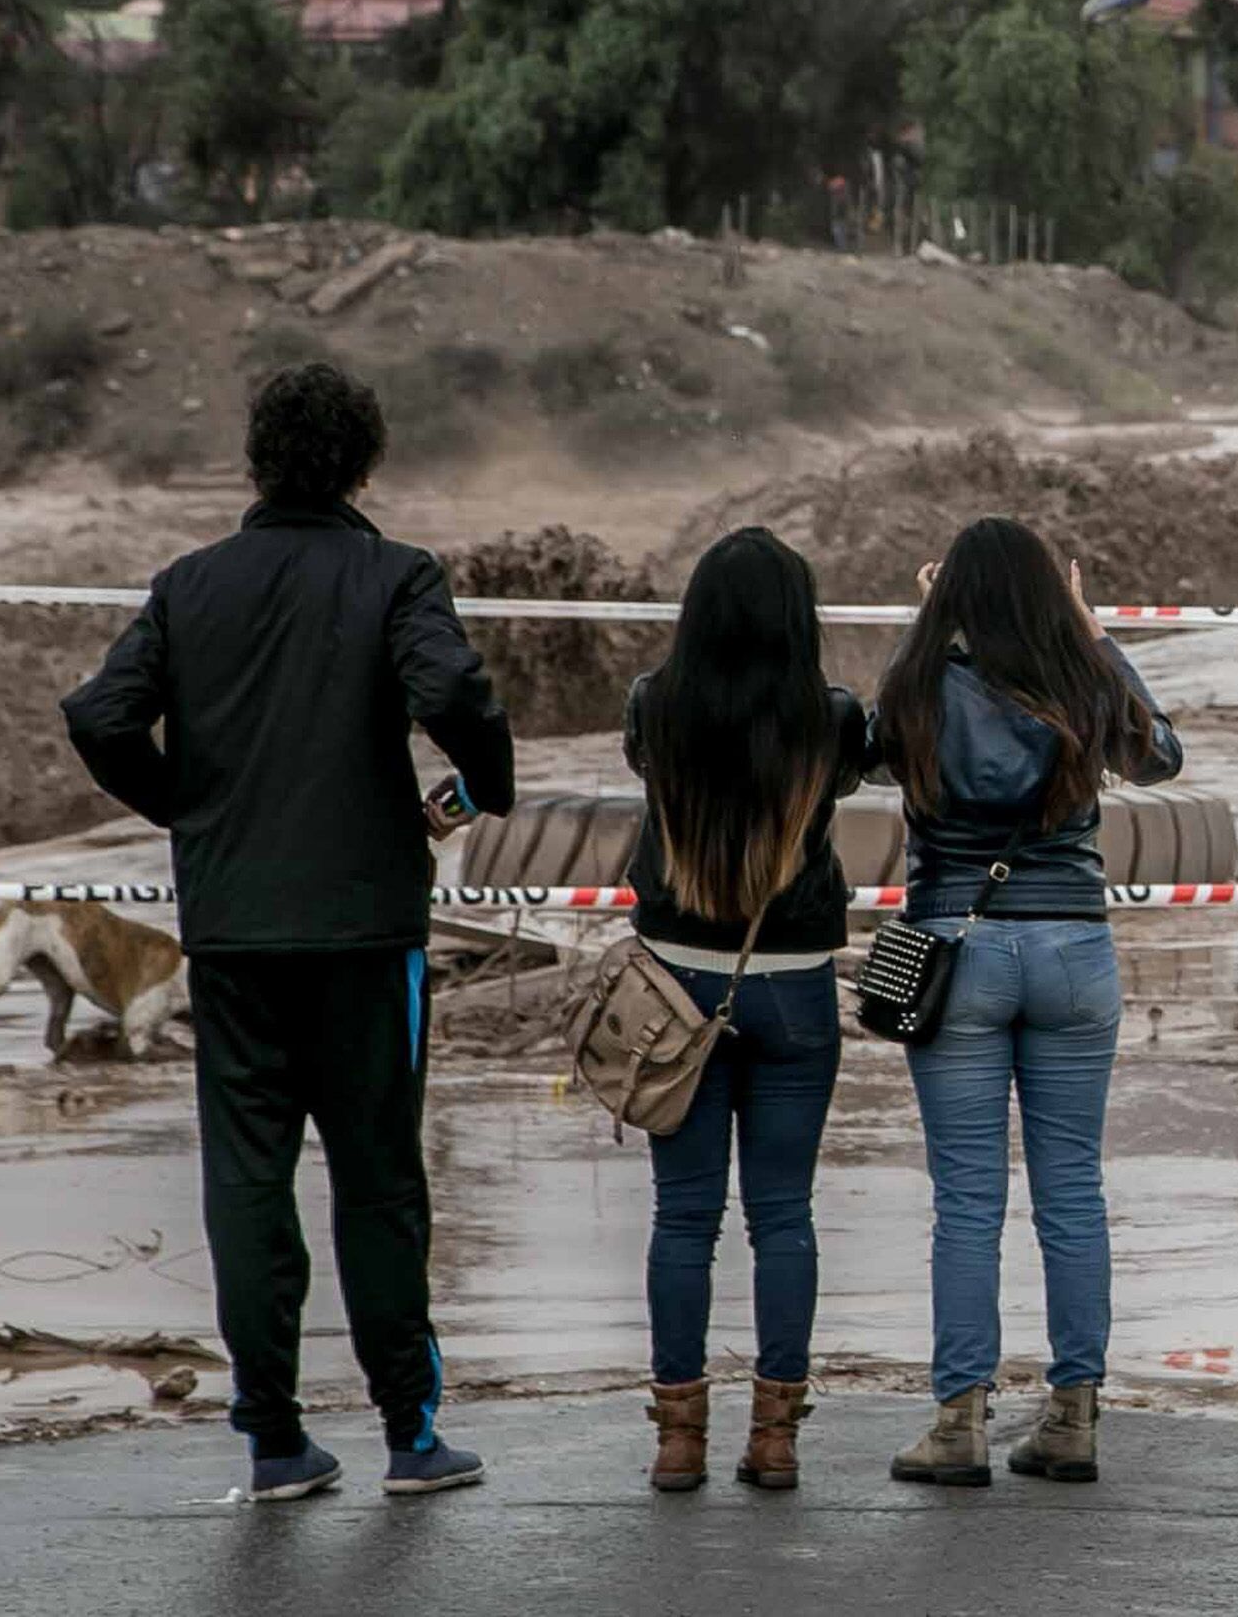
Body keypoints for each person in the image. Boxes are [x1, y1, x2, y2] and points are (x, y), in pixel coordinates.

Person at [59, 361, 514, 1503]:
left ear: (254, 460)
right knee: (379, 1181)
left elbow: (99, 712)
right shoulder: (397, 574)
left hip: (235, 934)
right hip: (368, 936)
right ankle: (412, 1433)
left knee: (246, 1179)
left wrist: (185, 806)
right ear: (365, 463)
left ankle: (271, 1438)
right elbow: (453, 690)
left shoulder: (188, 583)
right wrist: (485, 780)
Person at [874, 517, 1181, 1489]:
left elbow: (870, 755)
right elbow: (1160, 756)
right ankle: (1072, 1415)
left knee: (966, 1197)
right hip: (1072, 946)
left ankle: (958, 1420)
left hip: (954, 946)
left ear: (946, 591)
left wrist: (931, 623)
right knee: (1071, 1190)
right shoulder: (1079, 677)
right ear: (1058, 594)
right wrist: (1089, 628)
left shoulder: (920, 679)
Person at [622, 527, 869, 1496]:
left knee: (683, 1217)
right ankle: (775, 1439)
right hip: (797, 982)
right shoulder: (832, 717)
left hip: (675, 984)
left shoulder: (656, 704)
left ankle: (677, 1439)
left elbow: (643, 762)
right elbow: (868, 762)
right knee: (783, 1215)